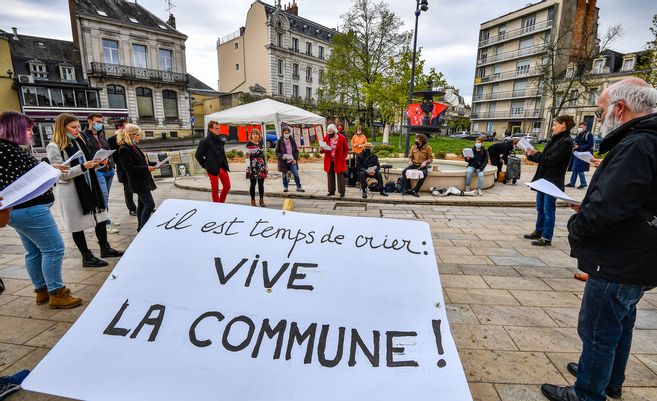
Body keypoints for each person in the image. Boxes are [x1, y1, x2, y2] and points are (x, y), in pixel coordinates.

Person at [540, 79, 657, 401]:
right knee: (620, 323)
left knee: (598, 330)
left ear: (620, 109)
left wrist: (578, 225)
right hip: (640, 255)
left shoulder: (636, 145)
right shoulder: (648, 140)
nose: (600, 115)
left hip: (618, 257)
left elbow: (607, 209)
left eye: (602, 109)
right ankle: (609, 378)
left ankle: (588, 392)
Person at [0, 111, 81, 308]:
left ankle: (42, 290)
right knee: (54, 248)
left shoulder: (7, 149)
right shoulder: (7, 150)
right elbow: (20, 181)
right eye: (27, 130)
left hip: (19, 211)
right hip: (29, 209)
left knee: (34, 251)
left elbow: (22, 175)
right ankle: (57, 292)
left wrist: (49, 168)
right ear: (14, 129)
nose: (30, 134)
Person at [46, 113, 123, 268]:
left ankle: (105, 248)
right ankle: (86, 256)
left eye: (78, 126)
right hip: (73, 191)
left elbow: (88, 163)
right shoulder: (54, 146)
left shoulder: (80, 140)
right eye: (73, 127)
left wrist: (99, 163)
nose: (77, 130)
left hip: (90, 185)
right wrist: (82, 167)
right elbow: (60, 174)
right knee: (77, 224)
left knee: (101, 216)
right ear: (62, 128)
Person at [523, 115, 575, 247]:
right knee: (540, 207)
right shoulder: (555, 139)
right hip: (543, 179)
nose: (552, 127)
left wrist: (535, 154)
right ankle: (539, 230)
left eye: (555, 124)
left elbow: (551, 161)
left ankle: (546, 237)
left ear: (563, 125)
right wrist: (532, 154)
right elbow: (545, 158)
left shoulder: (566, 142)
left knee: (548, 209)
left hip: (552, 181)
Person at [83, 113, 119, 233]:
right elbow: (86, 155)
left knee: (106, 197)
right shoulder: (84, 136)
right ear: (89, 121)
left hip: (109, 170)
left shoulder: (102, 135)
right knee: (102, 197)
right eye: (97, 121)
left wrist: (111, 164)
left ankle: (106, 218)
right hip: (98, 171)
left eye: (101, 122)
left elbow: (108, 150)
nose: (99, 124)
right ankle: (105, 223)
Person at [117, 124, 157, 232]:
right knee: (150, 205)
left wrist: (154, 164)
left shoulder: (132, 146)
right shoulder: (124, 149)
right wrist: (146, 169)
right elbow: (128, 168)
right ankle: (144, 228)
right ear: (131, 135)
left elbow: (140, 162)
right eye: (138, 135)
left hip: (143, 180)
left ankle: (140, 227)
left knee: (142, 205)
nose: (139, 137)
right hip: (138, 182)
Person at [196, 120, 231, 203]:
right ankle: (216, 207)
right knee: (215, 190)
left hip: (222, 167)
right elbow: (198, 155)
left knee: (227, 186)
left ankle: (221, 203)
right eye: (216, 128)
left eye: (219, 128)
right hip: (212, 168)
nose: (219, 130)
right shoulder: (205, 141)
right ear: (211, 129)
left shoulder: (220, 139)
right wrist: (206, 165)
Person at [107, 119, 137, 216]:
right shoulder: (112, 139)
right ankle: (131, 208)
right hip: (123, 168)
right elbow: (114, 156)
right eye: (126, 126)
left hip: (134, 166)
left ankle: (145, 205)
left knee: (140, 187)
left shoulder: (129, 136)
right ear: (119, 127)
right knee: (128, 189)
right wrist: (125, 164)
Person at [322, 123, 349, 197]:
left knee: (340, 176)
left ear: (334, 131)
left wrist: (343, 158)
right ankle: (331, 191)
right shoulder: (326, 137)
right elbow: (322, 150)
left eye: (330, 131)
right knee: (330, 175)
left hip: (339, 160)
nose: (329, 133)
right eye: (328, 131)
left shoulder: (342, 138)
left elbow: (346, 149)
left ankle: (342, 191)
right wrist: (321, 148)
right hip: (329, 160)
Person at [565, 122, 594, 189]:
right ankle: (572, 183)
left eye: (581, 127)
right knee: (575, 168)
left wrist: (579, 146)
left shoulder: (589, 134)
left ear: (585, 127)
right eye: (579, 127)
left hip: (583, 154)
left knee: (580, 169)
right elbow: (576, 142)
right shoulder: (579, 134)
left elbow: (590, 145)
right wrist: (574, 145)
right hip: (577, 153)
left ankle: (583, 183)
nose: (580, 129)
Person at [275, 127, 304, 193]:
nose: (287, 134)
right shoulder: (279, 141)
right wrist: (282, 156)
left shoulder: (292, 140)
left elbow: (296, 151)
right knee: (284, 175)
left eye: (288, 133)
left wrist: (295, 159)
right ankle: (285, 187)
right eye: (285, 133)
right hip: (283, 161)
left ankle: (299, 187)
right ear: (282, 133)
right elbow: (276, 152)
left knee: (296, 173)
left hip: (292, 160)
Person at [245, 129, 268, 207]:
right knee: (253, 184)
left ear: (259, 135)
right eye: (254, 134)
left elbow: (263, 155)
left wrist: (265, 166)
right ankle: (253, 200)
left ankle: (261, 200)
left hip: (261, 165)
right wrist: (247, 155)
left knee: (261, 184)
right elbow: (246, 156)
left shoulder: (260, 143)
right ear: (251, 135)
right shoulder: (249, 143)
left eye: (257, 134)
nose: (255, 135)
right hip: (253, 165)